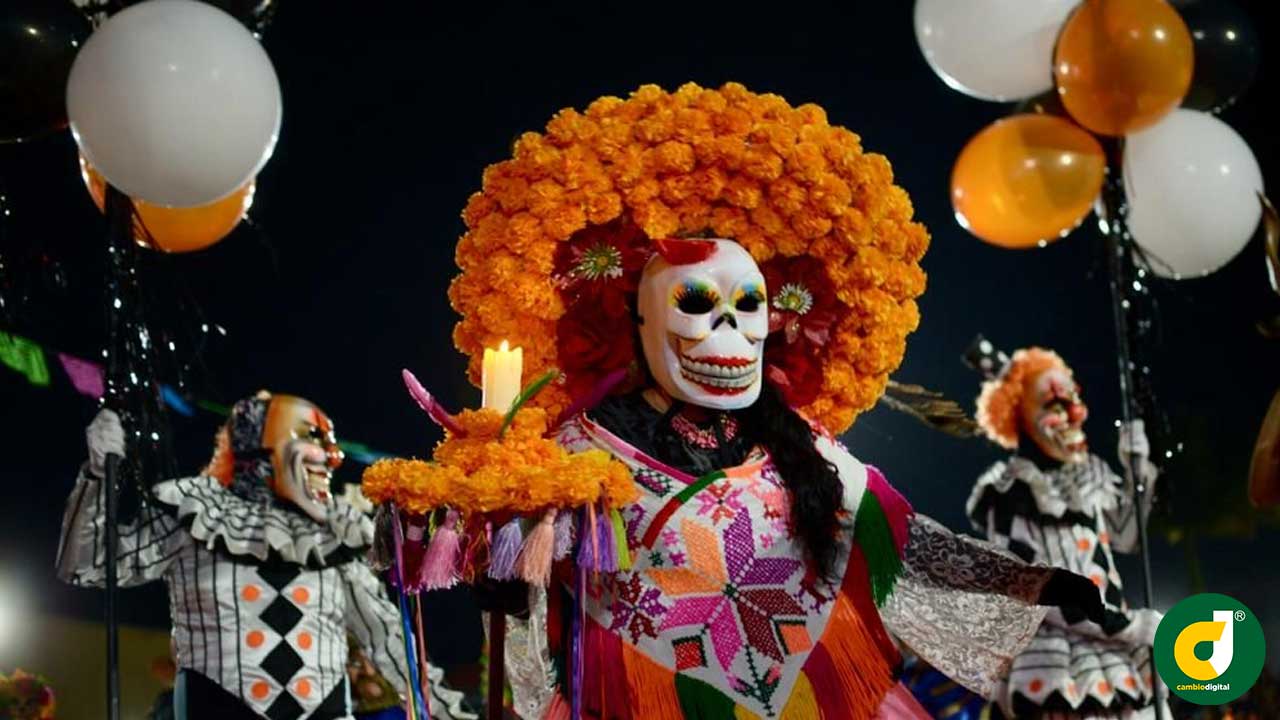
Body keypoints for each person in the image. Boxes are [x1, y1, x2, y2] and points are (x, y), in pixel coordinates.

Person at [443, 83, 1106, 718]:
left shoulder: (802, 446)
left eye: (749, 304)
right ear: (641, 322)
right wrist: (506, 578)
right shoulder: (578, 455)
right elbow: (527, 594)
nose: (729, 331)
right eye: (696, 303)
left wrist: (1037, 583)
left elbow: (907, 546)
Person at [57, 392, 474, 720]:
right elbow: (87, 566)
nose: (334, 456)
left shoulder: (335, 536)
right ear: (267, 447)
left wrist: (454, 716)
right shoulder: (195, 516)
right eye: (315, 438)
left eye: (331, 442)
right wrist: (96, 475)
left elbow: (393, 646)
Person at [965, 342, 1168, 719]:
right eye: (1055, 406)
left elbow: (1127, 536)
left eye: (1073, 400)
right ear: (1020, 415)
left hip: (1117, 656)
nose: (1074, 414)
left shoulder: (1088, 474)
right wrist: (1127, 626)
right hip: (1057, 666)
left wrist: (1137, 469)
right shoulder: (1007, 492)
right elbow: (1037, 590)